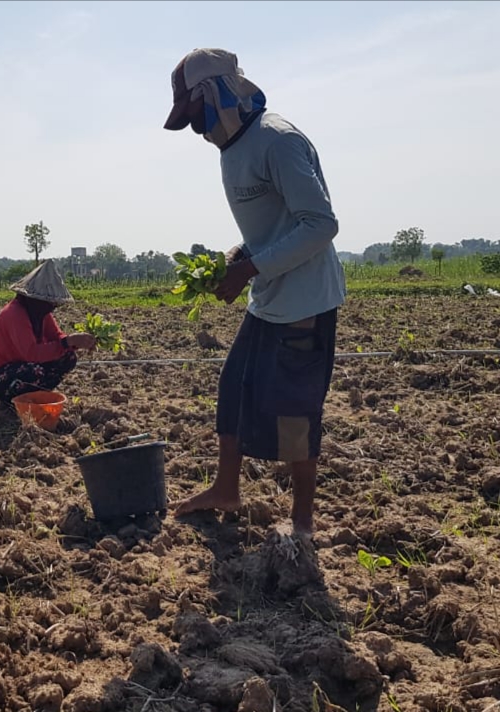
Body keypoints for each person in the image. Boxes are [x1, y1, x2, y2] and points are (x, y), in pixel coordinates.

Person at [164, 48, 345, 534]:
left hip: (304, 301)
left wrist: (250, 269)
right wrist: (236, 257)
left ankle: (302, 523)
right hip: (268, 299)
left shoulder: (277, 141)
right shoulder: (234, 149)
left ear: (215, 94)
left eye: (196, 115)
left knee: (294, 410)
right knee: (234, 388)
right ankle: (226, 489)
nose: (198, 131)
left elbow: (320, 224)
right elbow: (272, 225)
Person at [0, 261, 97, 407]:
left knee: (67, 358)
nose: (52, 307)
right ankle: (14, 403)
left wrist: (75, 342)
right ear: (35, 299)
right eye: (50, 302)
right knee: (33, 372)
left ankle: (33, 400)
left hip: (19, 366)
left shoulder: (40, 313)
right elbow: (31, 353)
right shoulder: (15, 314)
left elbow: (57, 336)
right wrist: (67, 342)